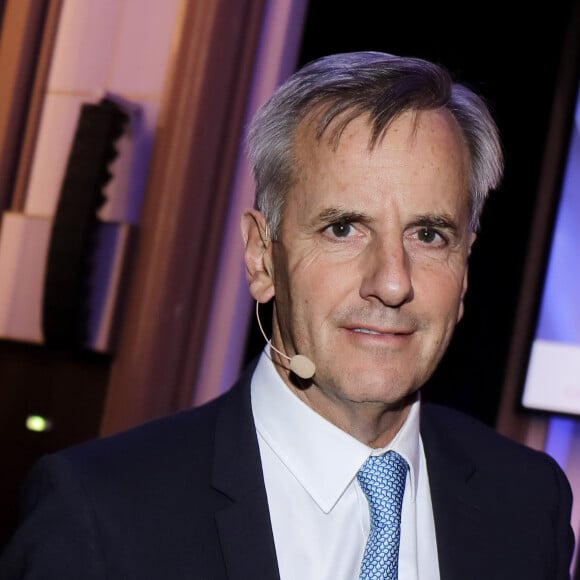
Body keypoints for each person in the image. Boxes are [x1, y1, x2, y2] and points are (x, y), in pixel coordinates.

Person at [0, 51, 575, 580]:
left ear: (466, 267)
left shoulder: (528, 503)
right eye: (344, 228)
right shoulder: (102, 516)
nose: (394, 282)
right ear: (261, 255)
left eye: (428, 235)